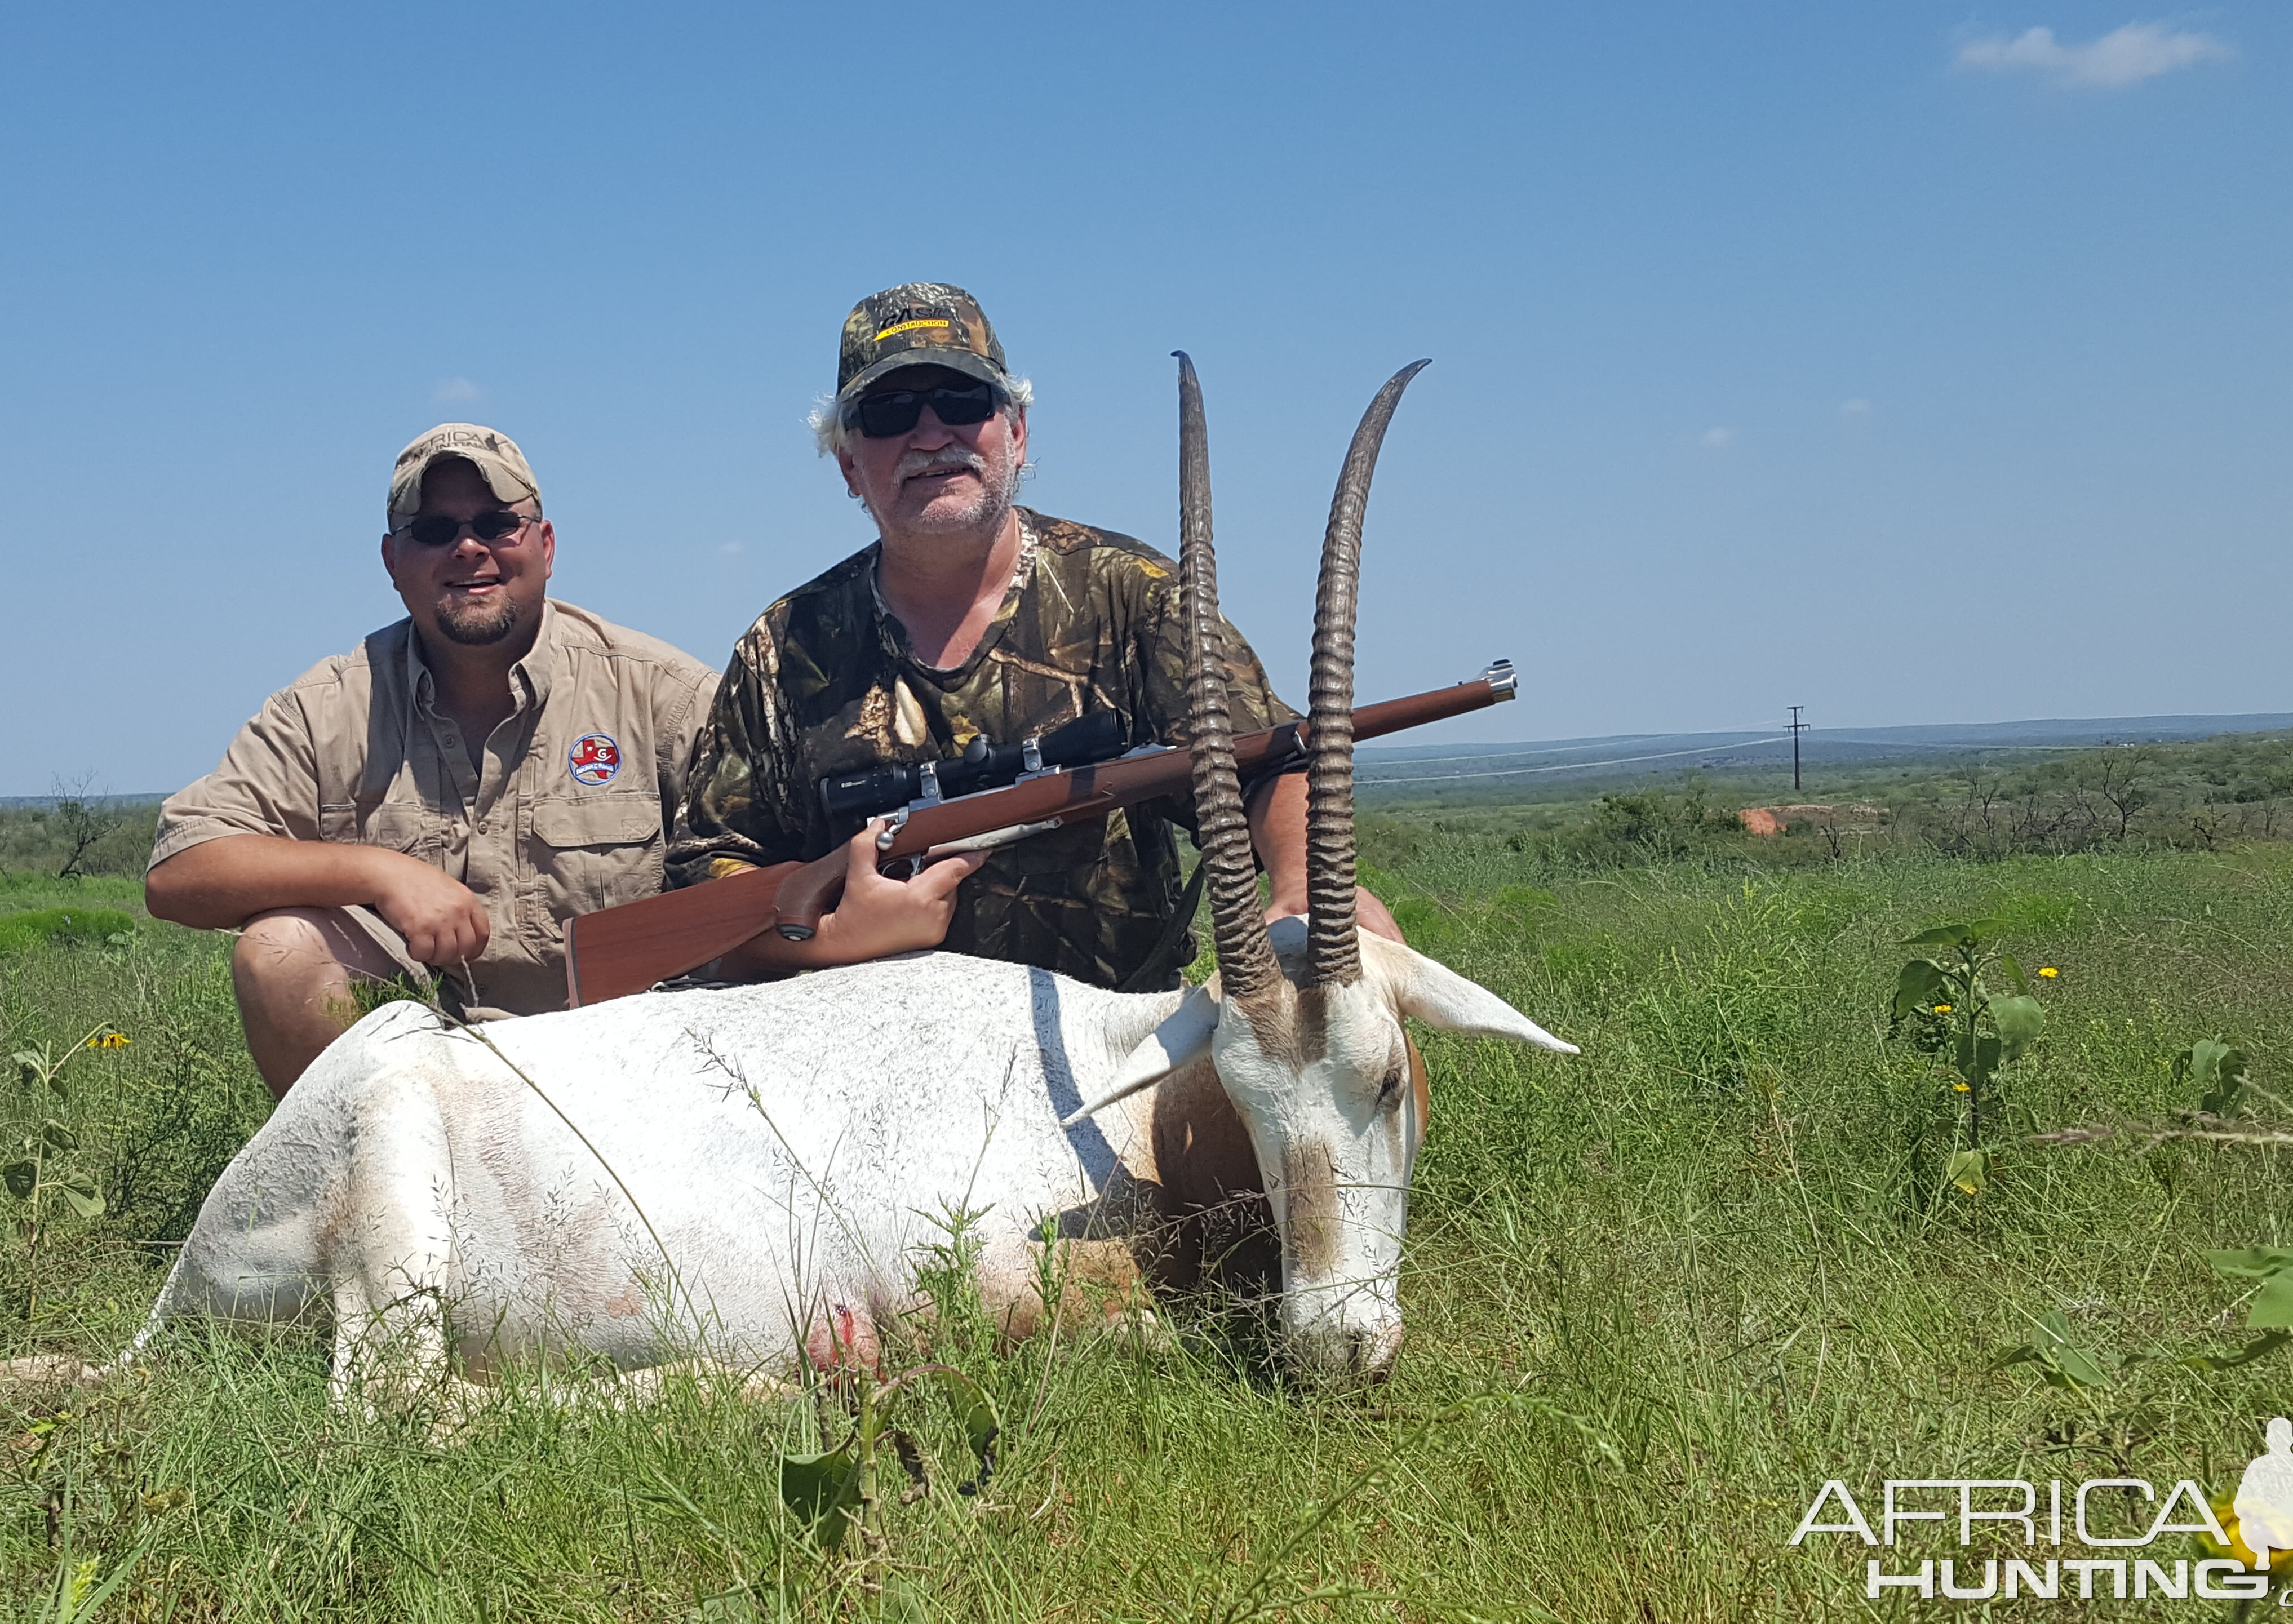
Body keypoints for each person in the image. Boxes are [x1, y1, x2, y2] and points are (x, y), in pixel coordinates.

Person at [667, 282, 1400, 990]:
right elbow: (700, 891)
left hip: (1116, 1064)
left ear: (1016, 432)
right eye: (889, 413)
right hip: (870, 1079)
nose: (931, 433)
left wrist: (1300, 888)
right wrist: (834, 939)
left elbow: (1266, 763)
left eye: (962, 399)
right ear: (850, 464)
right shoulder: (784, 648)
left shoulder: (1133, 592)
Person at [147, 423, 717, 1095]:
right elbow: (179, 870)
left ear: (546, 544)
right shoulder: (329, 707)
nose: (468, 547)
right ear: (392, 561)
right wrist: (377, 873)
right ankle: (360, 1192)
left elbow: (773, 862)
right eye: (435, 530)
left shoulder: (661, 696)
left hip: (629, 1060)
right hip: (415, 1080)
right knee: (281, 951)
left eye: (496, 523)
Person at [2233, 1416, 2293, 1586]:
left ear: (2291, 1440)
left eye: (2283, 1437)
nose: (2279, 1441)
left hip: (2290, 1529)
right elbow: (2240, 1503)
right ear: (2268, 1439)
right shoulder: (2259, 1466)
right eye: (2276, 1437)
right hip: (2261, 1530)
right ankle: (2262, 1563)